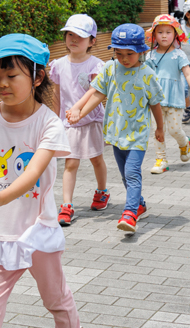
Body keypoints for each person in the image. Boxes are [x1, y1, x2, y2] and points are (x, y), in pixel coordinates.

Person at [0, 34, 79, 326]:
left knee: (57, 301)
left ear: (38, 77)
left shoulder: (48, 123)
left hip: (37, 231)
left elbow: (33, 172)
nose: (2, 83)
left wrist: (1, 197)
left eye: (12, 75)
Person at [67, 24, 164, 234]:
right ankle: (139, 203)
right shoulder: (110, 69)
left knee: (132, 173)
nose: (124, 58)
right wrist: (80, 114)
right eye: (119, 54)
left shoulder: (147, 74)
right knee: (124, 175)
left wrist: (160, 128)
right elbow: (97, 94)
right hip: (115, 133)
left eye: (130, 54)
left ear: (142, 52)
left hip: (137, 135)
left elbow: (155, 103)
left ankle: (129, 213)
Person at [49, 14, 108, 226]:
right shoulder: (58, 65)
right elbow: (57, 94)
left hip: (91, 120)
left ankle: (102, 191)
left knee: (96, 159)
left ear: (92, 41)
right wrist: (55, 119)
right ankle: (67, 206)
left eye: (80, 36)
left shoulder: (96, 65)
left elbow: (95, 92)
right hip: (68, 122)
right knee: (70, 163)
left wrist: (78, 110)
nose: (73, 40)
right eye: (70, 35)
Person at [145, 14, 190, 174]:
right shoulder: (150, 55)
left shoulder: (179, 54)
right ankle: (161, 159)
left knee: (174, 130)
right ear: (154, 35)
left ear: (175, 34)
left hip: (174, 99)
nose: (164, 35)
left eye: (168, 32)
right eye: (160, 32)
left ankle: (184, 143)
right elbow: (145, 76)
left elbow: (187, 73)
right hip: (155, 101)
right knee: (157, 130)